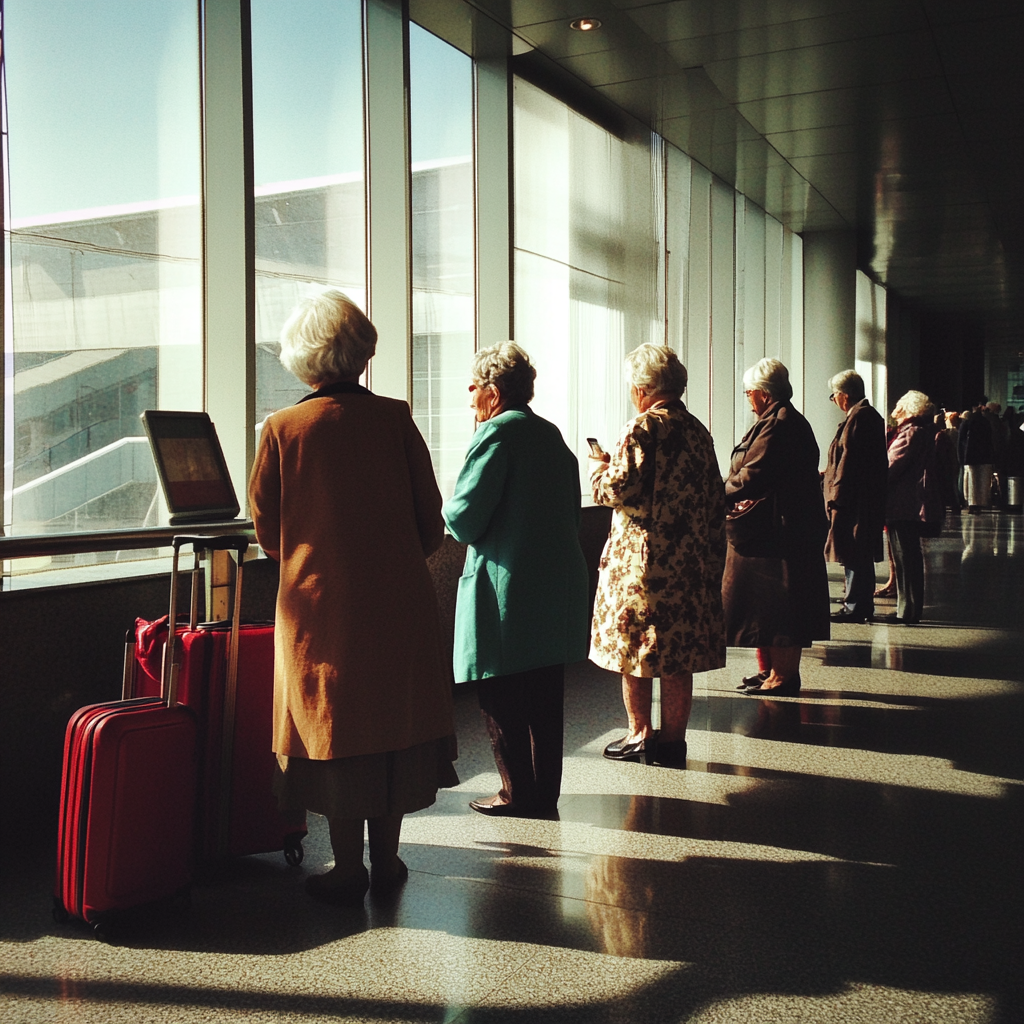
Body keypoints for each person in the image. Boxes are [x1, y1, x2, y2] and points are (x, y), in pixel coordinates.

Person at [248, 288, 458, 907]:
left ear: (303, 356)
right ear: (360, 350)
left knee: (335, 730)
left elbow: (267, 528)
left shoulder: (284, 429)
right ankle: (387, 859)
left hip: (321, 610)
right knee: (389, 721)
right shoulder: (395, 418)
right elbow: (431, 519)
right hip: (399, 602)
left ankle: (346, 866)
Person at [443, 342, 589, 819]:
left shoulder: (496, 435)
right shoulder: (552, 436)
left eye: (474, 387)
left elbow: (464, 519)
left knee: (501, 691)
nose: (469, 397)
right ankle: (545, 793)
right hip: (554, 586)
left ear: (494, 390)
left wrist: (442, 505)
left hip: (509, 589)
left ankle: (515, 793)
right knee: (546, 697)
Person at [589, 344, 726, 769]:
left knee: (635, 649)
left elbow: (614, 490)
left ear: (643, 388)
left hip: (643, 566)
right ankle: (674, 741)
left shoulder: (643, 428)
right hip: (690, 562)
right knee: (677, 653)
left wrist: (599, 469)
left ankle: (639, 734)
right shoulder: (697, 430)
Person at [723, 358, 830, 696]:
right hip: (776, 528)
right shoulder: (779, 420)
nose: (747, 398)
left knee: (782, 606)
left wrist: (715, 492)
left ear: (764, 395)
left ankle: (783, 676)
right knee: (766, 606)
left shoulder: (779, 425)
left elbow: (754, 475)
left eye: (748, 392)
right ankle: (770, 671)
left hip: (780, 533)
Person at [822, 370, 888, 624]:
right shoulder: (865, 416)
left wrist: (835, 496)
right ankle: (858, 602)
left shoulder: (860, 418)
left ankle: (855, 605)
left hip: (855, 500)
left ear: (844, 395)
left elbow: (849, 461)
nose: (834, 400)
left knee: (854, 550)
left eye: (834, 395)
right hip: (863, 498)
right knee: (857, 550)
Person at [879, 390, 939, 624]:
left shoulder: (909, 434)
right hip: (908, 502)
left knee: (905, 556)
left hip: (901, 503)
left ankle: (908, 610)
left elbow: (891, 467)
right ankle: (908, 608)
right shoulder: (920, 432)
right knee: (907, 557)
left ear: (908, 408)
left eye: (899, 405)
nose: (896, 409)